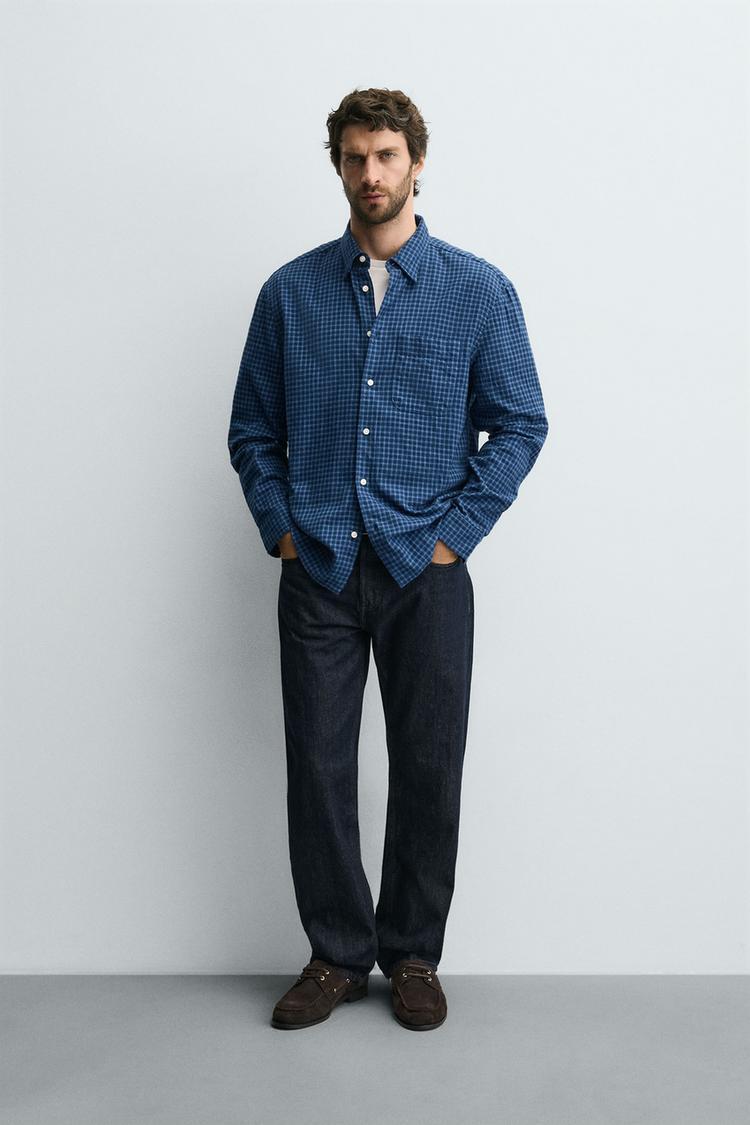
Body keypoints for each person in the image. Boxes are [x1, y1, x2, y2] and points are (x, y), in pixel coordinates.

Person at [227, 87, 549, 1031]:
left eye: (387, 156)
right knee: (319, 768)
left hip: (426, 572)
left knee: (428, 766)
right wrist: (284, 528)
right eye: (355, 157)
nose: (371, 173)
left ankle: (412, 954)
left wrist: (455, 535)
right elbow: (252, 430)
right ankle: (336, 954)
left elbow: (522, 423)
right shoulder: (290, 294)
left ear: (417, 163)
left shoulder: (478, 291)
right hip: (319, 568)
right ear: (338, 166)